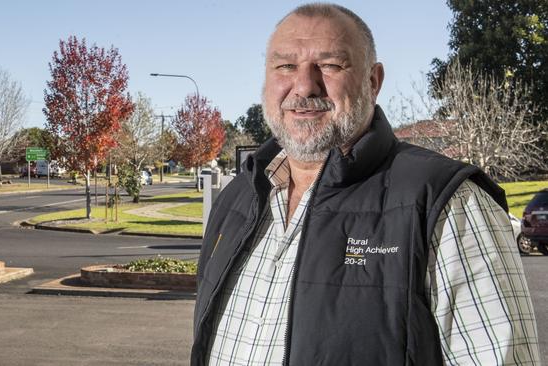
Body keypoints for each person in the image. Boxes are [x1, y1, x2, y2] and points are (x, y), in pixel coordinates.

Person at [191, 3, 540, 366]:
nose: (305, 85)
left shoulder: (447, 202)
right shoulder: (236, 199)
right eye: (286, 66)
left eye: (329, 65)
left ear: (373, 81)